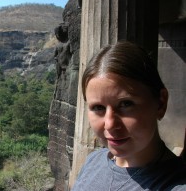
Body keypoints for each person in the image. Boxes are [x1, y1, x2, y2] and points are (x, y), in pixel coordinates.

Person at [72, 41, 186, 190]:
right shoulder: (93, 161)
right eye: (98, 107)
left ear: (160, 103)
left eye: (126, 104)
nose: (110, 124)